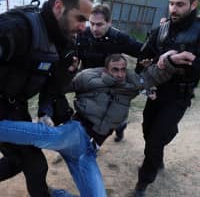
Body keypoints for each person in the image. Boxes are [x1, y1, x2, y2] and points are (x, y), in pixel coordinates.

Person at [0, 52, 194, 197]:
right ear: (105, 69)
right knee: (42, 134)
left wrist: (169, 61)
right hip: (75, 133)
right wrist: (64, 76)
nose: (119, 74)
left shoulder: (131, 84)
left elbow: (153, 76)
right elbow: (59, 87)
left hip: (88, 151)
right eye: (114, 70)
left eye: (122, 70)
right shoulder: (89, 77)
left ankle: (54, 195)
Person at [0, 0, 93, 196]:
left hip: (14, 107)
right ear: (59, 7)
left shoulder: (64, 42)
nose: (84, 27)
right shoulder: (17, 28)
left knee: (23, 163)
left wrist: (45, 111)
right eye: (80, 18)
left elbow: (53, 85)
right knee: (34, 165)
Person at [133, 0, 200, 196]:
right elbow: (141, 62)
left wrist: (191, 60)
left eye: (180, 4)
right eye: (171, 3)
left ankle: (142, 183)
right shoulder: (160, 31)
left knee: (155, 140)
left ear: (193, 5)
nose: (174, 9)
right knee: (148, 131)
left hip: (179, 96)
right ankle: (161, 144)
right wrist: (161, 62)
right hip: (156, 93)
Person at [76, 4, 143, 142]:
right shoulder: (82, 35)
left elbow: (143, 52)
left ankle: (120, 125)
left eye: (100, 24)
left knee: (111, 115)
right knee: (86, 114)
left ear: (109, 22)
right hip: (89, 82)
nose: (95, 28)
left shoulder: (119, 38)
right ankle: (89, 142)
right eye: (92, 23)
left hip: (112, 85)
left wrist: (137, 75)